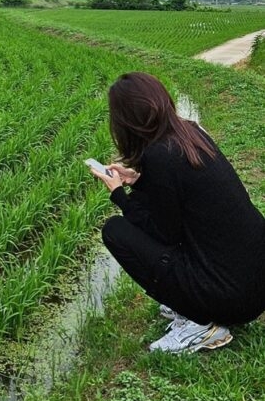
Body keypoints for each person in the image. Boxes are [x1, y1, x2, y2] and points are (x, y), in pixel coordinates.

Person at [89, 72, 265, 354]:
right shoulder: (189, 133)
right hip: (254, 282)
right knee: (143, 217)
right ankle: (194, 305)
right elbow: (176, 198)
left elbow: (164, 234)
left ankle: (201, 325)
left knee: (116, 231)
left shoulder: (160, 156)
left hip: (234, 299)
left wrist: (118, 194)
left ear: (126, 120)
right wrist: (138, 181)